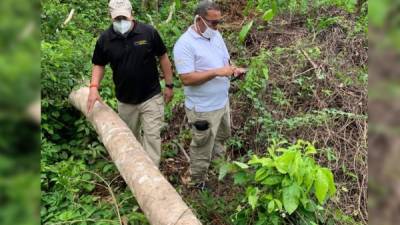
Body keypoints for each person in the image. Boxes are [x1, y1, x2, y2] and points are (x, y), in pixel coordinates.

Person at [87, 0, 174, 167]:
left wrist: (169, 85)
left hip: (151, 96)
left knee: (152, 136)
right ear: (110, 17)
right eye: (117, 18)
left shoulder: (148, 32)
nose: (121, 21)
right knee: (131, 139)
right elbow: (99, 64)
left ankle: (152, 175)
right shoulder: (105, 39)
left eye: (124, 17)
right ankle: (137, 171)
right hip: (125, 100)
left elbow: (163, 57)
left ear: (131, 14)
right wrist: (93, 88)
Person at [173, 0, 246, 189]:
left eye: (219, 22)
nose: (216, 26)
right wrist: (215, 72)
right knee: (202, 145)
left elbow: (224, 62)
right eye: (213, 22)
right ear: (199, 19)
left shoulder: (215, 36)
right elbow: (186, 79)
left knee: (221, 136)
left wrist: (233, 70)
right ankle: (198, 180)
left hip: (222, 102)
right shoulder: (185, 44)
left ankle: (217, 167)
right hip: (203, 109)